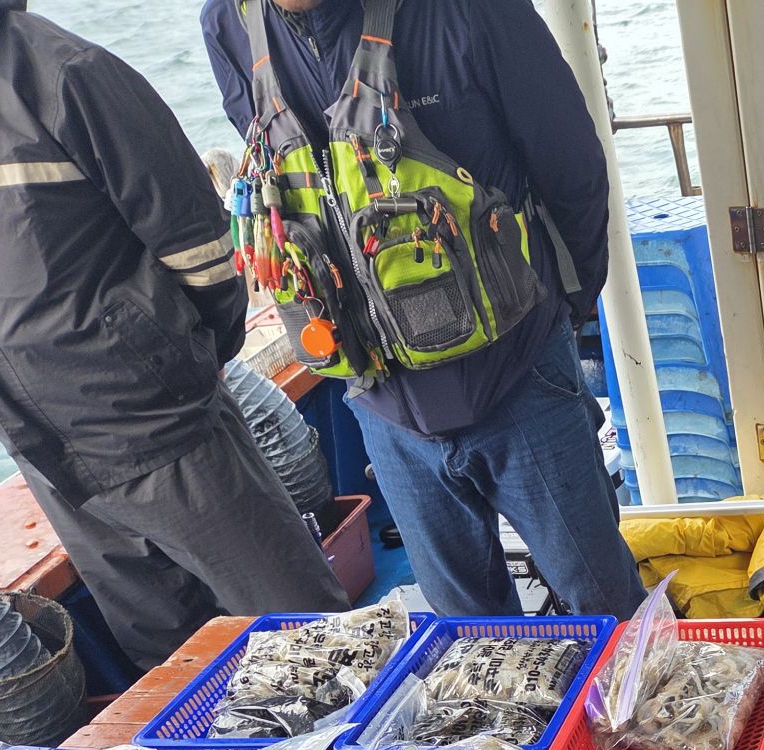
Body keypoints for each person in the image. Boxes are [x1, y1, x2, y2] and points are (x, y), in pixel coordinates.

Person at [0, 0, 348, 672]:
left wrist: (172, 369)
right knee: (172, 665)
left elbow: (201, 247)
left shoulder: (64, 72)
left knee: (312, 639)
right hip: (45, 456)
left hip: (157, 427)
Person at [201, 0, 646, 623]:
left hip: (520, 378)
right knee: (470, 638)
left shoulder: (469, 11)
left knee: (607, 606)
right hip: (383, 408)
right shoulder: (228, 25)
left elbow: (572, 167)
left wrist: (562, 314)